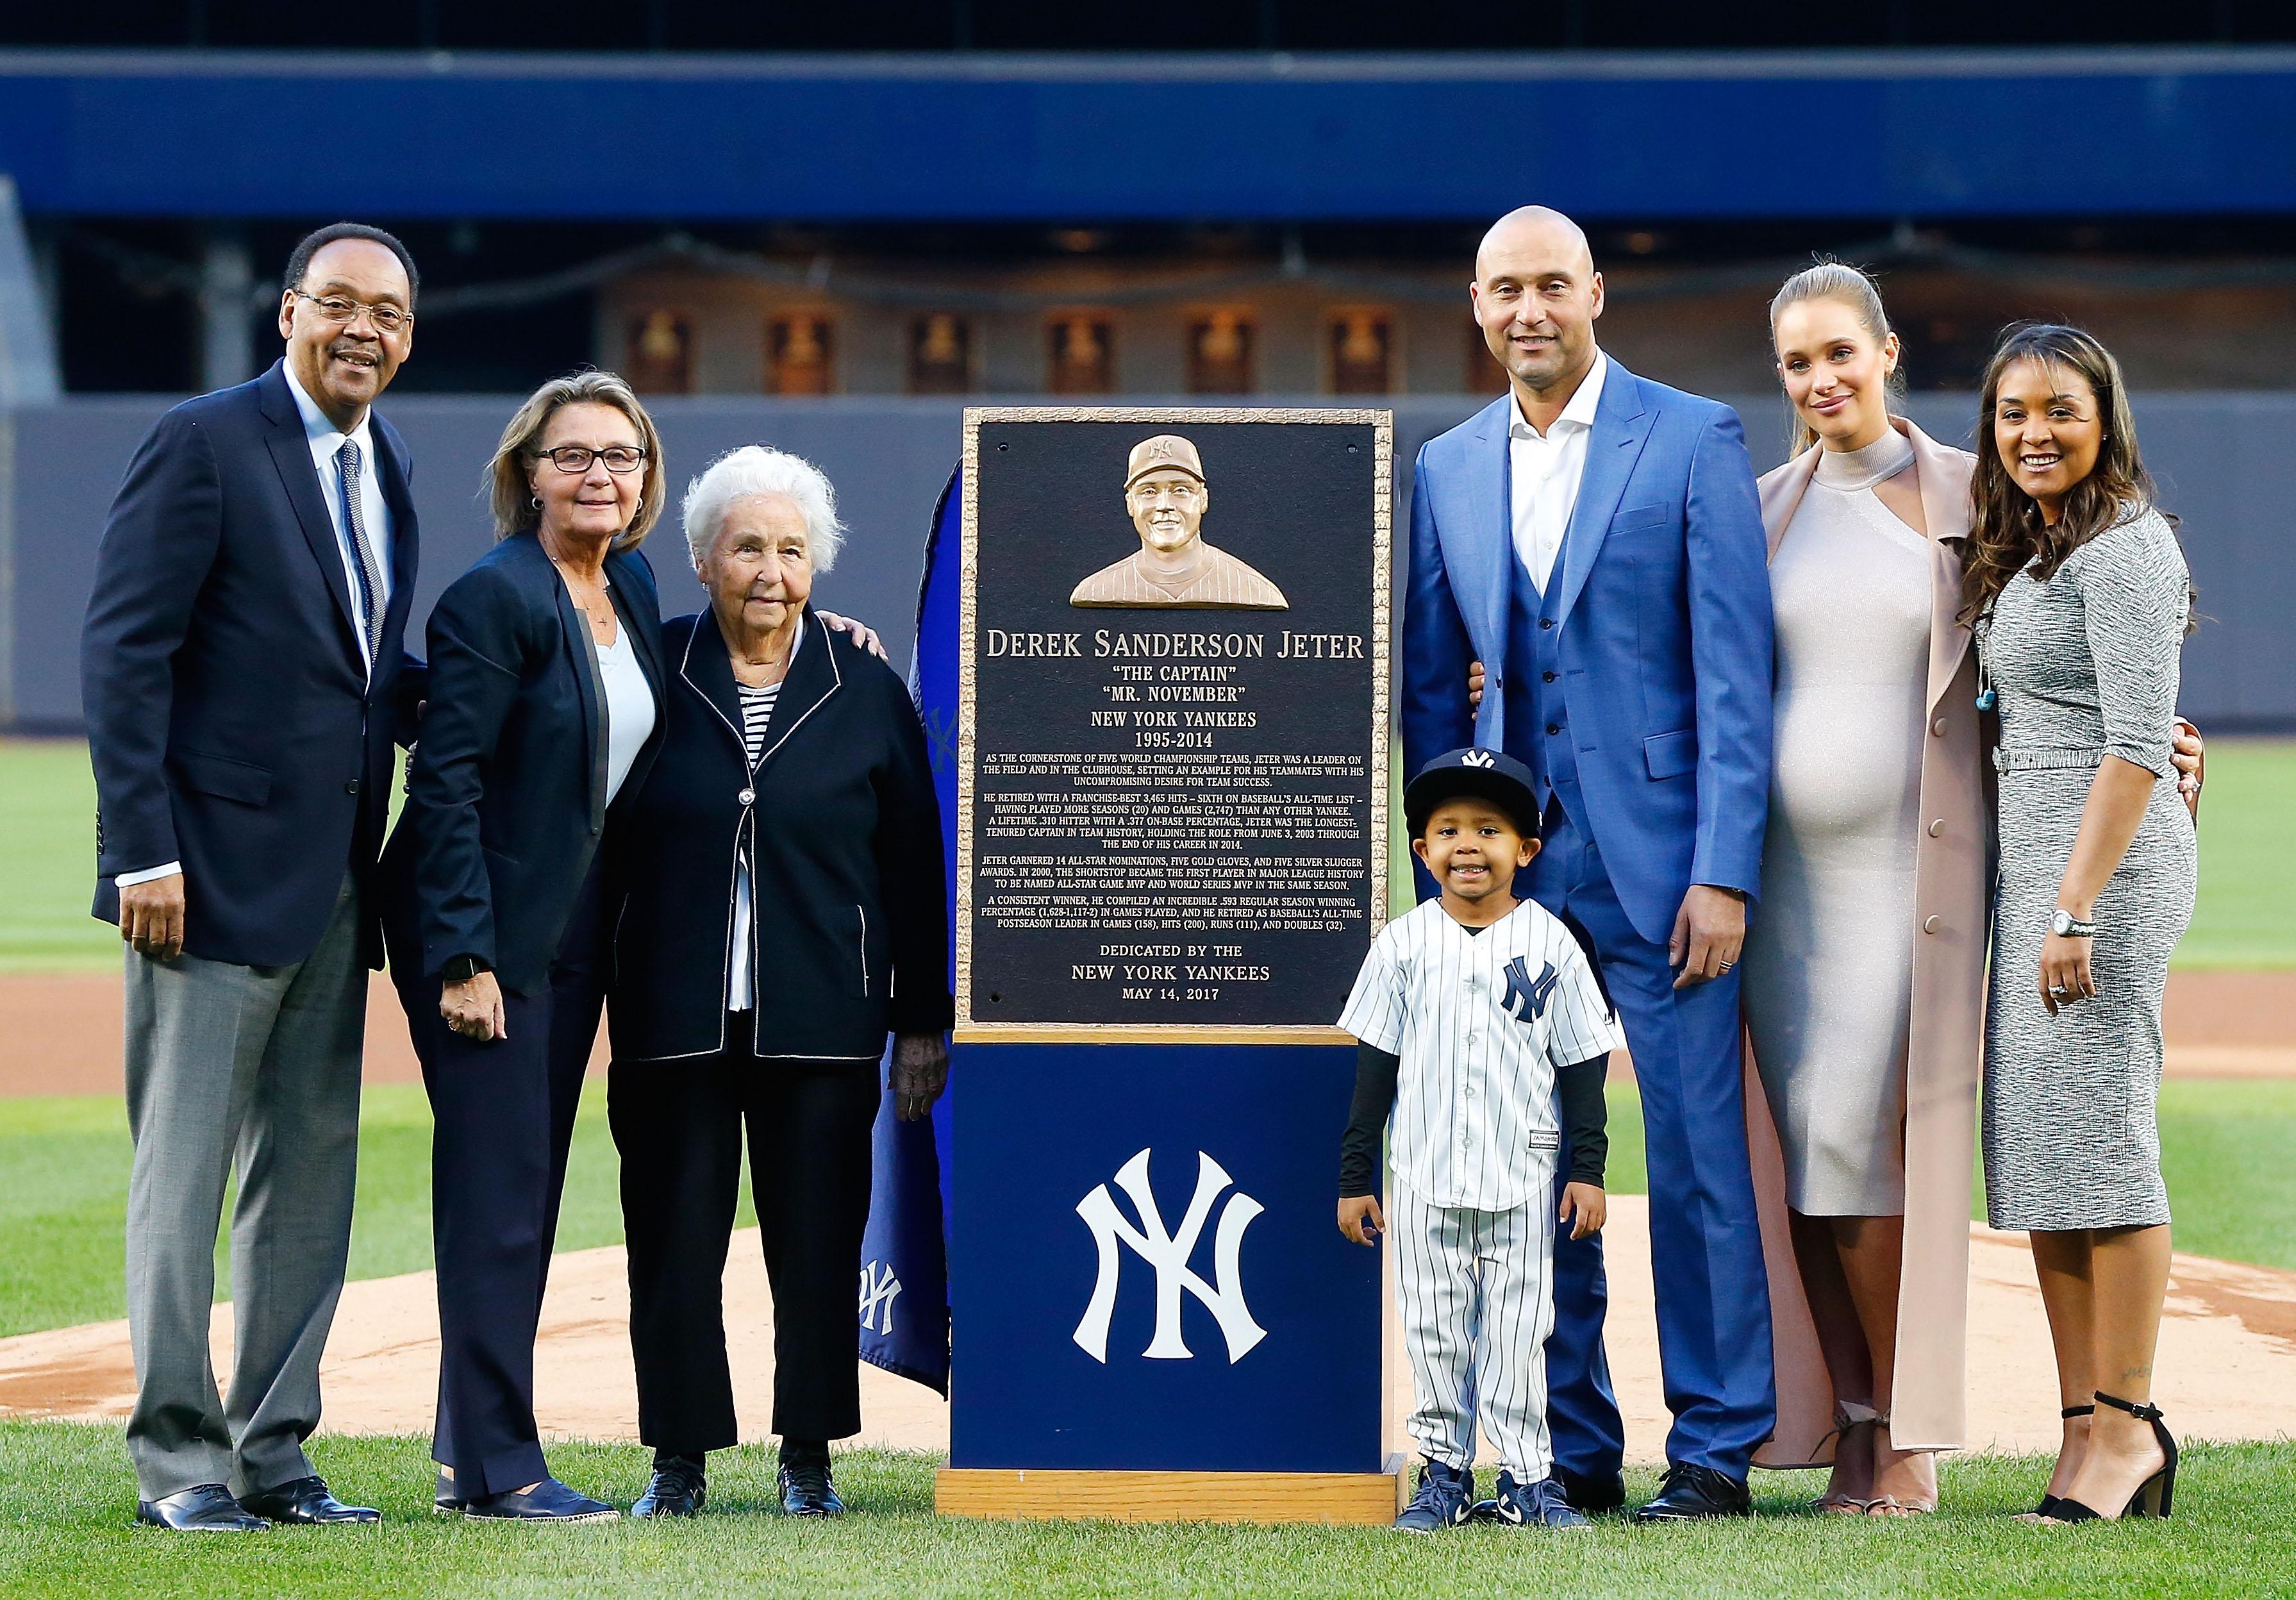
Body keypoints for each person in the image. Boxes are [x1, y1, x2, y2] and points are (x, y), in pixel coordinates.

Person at [1743, 267, 2209, 1518]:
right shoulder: (1770, 510)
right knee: (2025, 1160)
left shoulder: (2000, 502)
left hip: (1964, 884)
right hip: (1824, 892)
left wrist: (2150, 774)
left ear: (1888, 350)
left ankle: (1981, 1433)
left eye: (1843, 351)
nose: (1821, 378)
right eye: (1796, 362)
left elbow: (2116, 707)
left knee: (2083, 1150)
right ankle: (2055, 1433)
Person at [1402, 205, 1777, 1521]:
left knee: (1693, 1163)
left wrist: (1724, 869)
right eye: (1505, 290)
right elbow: (1425, 703)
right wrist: (1441, 881)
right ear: (1475, 302)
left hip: (1668, 871)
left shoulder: (1691, 437)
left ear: (1598, 293)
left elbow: (1738, 676)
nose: (1529, 311)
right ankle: (1570, 1449)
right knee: (1523, 1168)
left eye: (1552, 285)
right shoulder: (1444, 463)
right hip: (1510, 884)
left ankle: (1719, 1449)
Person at [80, 222, 424, 1532]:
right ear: (286, 313)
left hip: (335, 882)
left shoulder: (380, 469)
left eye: (386, 314)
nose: (362, 330)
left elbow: (367, 682)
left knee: (310, 1175)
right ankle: (181, 1460)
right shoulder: (205, 441)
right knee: (185, 1174)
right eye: (338, 304)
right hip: (204, 880)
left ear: (406, 336)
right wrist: (140, 853)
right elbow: (124, 651)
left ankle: (276, 1453)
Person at [604, 446, 951, 1521]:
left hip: (825, 1019)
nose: (770, 568)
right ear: (703, 560)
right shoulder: (648, 673)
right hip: (674, 1019)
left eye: (792, 550)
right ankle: (680, 1460)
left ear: (818, 567)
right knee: (673, 1243)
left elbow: (911, 863)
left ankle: (809, 1456)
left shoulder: (866, 687)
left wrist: (922, 1020)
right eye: (747, 546)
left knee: (814, 1246)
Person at [384, 371, 671, 1523]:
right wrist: (462, 959)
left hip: (574, 934)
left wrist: (806, 627)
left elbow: (655, 693)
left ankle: (469, 1443)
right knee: (499, 1197)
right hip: (487, 941)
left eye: (621, 456)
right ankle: (500, 1470)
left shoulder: (632, 583)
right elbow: (443, 782)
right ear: (527, 474)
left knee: (530, 1191)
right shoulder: (492, 597)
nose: (599, 475)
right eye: (574, 457)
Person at [1965, 325, 2197, 1524]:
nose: (2032, 433)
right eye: (2011, 412)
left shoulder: (2125, 548)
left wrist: (2074, 906)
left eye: (2058, 409)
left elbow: (2133, 743)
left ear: (2103, 416)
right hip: (2041, 881)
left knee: (2101, 1145)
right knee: (2044, 1153)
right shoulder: (2036, 549)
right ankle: (2079, 1431)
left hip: (2093, 887)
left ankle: (2131, 1425)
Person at [1336, 749, 1623, 1533]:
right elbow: (1373, 1072)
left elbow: (1582, 1067)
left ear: (1526, 849)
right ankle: (1444, 1475)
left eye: (1490, 829)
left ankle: (1529, 1481)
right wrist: (1356, 1175)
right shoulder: (1401, 944)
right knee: (1433, 1333)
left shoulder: (1553, 943)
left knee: (1519, 1336)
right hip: (1423, 1175)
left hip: (1522, 1179)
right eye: (1448, 829)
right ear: (1421, 849)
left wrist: (1589, 1172)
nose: (1468, 844)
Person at [1069, 433, 1288, 608]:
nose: (1164, 505)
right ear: (1130, 504)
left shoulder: (1253, 590)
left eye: (1180, 490)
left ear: (1203, 499)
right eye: (1149, 492)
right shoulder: (1096, 590)